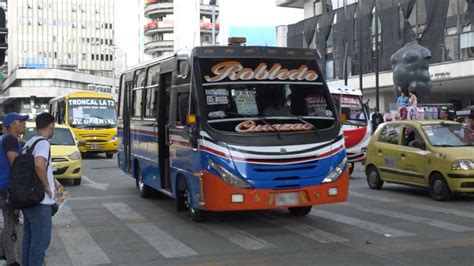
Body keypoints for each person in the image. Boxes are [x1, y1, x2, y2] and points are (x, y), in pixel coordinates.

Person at [21, 113, 55, 266]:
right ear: (51, 126)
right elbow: (39, 164)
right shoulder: (43, 143)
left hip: (28, 198)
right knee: (40, 243)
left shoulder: (30, 142)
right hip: (40, 201)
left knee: (29, 241)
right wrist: (47, 186)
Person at [0, 113, 28, 266]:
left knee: (9, 221)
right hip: (7, 188)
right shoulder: (10, 140)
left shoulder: (9, 139)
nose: (24, 123)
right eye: (21, 121)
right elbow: (15, 164)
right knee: (11, 223)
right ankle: (12, 261)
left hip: (4, 186)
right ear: (11, 125)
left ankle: (3, 256)